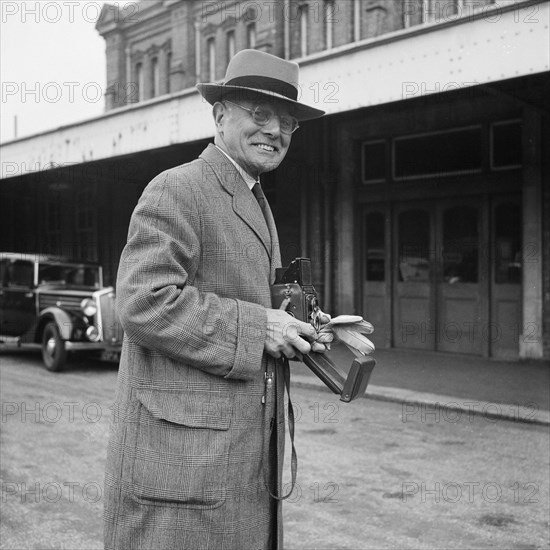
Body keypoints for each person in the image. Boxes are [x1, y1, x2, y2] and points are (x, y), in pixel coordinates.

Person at [103, 49, 330, 550]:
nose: (275, 131)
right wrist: (259, 328)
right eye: (260, 114)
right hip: (183, 470)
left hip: (228, 457)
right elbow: (143, 301)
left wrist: (306, 324)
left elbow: (245, 296)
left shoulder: (250, 194)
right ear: (220, 114)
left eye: (288, 123)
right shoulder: (177, 188)